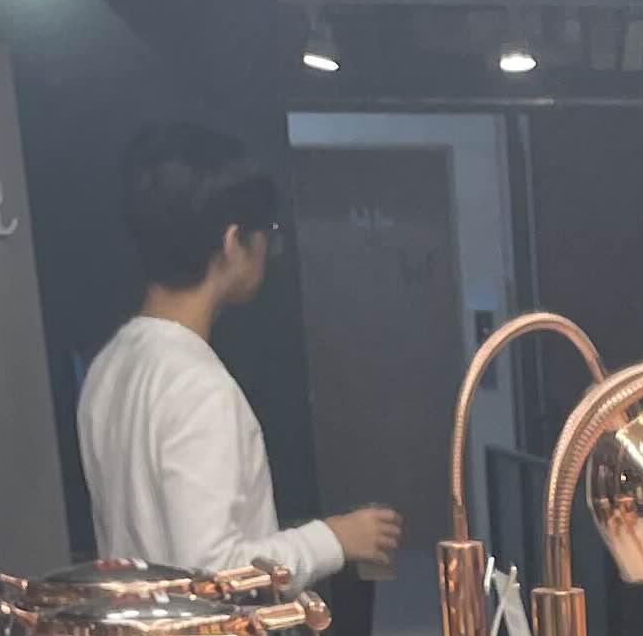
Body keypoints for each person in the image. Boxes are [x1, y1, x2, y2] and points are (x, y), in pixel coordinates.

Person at [74, 121, 401, 591]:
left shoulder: (111, 364)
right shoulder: (197, 387)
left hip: (144, 633)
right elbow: (216, 573)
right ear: (233, 243)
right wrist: (334, 539)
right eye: (266, 232)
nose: (269, 248)